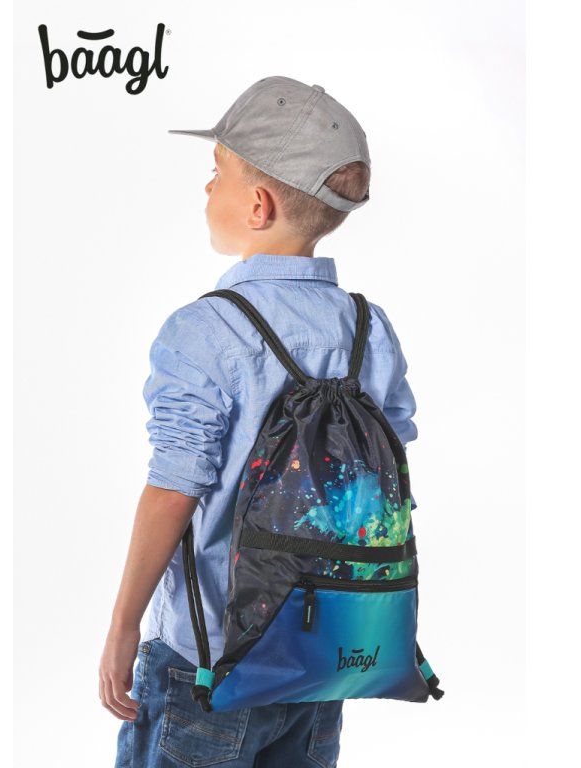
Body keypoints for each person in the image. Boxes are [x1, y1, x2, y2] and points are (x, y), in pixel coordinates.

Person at [102, 76, 418, 767]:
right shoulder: (371, 330)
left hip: (207, 663)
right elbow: (390, 460)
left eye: (216, 172)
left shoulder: (204, 331)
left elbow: (173, 490)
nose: (205, 188)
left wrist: (123, 626)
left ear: (258, 204)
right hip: (326, 655)